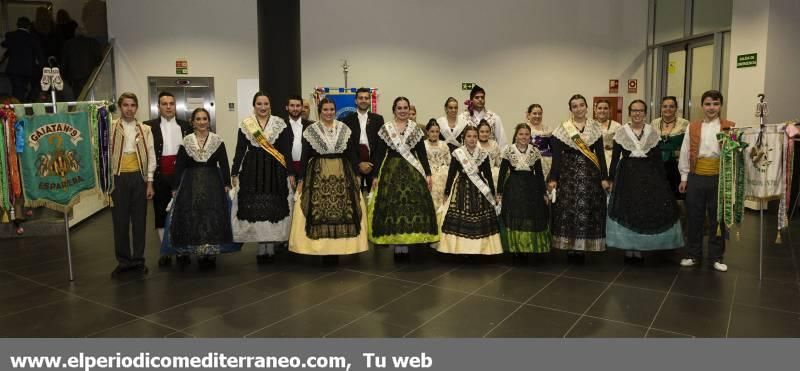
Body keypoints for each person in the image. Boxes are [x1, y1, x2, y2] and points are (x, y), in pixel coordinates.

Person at [289, 98, 368, 262]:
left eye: (332, 109)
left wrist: (357, 174)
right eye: (325, 109)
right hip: (318, 174)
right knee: (320, 210)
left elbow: (352, 154)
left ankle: (337, 250)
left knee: (342, 210)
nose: (329, 112)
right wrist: (301, 179)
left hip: (342, 173)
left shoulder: (344, 129)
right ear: (320, 111)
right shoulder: (311, 130)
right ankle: (321, 250)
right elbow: (304, 157)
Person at [606, 100, 683, 263]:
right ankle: (628, 249)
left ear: (645, 113)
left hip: (648, 175)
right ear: (629, 112)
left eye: (640, 111)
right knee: (629, 209)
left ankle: (639, 249)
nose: (637, 114)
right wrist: (611, 178)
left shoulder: (652, 132)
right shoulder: (621, 132)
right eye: (634, 110)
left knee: (643, 210)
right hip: (627, 175)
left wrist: (662, 181)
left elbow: (656, 159)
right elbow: (614, 159)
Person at [368, 98, 439, 259]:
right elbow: (379, 154)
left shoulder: (416, 129)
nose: (402, 110)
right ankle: (397, 245)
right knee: (393, 208)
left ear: (409, 110)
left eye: (405, 108)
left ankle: (406, 244)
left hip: (412, 172)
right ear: (394, 110)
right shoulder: (386, 129)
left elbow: (421, 154)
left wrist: (428, 174)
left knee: (410, 208)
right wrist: (375, 175)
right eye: (399, 108)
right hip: (391, 171)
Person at [231, 92, 294, 264]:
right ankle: (261, 246)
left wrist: (290, 173)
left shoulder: (280, 124)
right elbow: (239, 150)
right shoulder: (246, 124)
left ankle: (271, 245)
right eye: (259, 104)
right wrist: (234, 172)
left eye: (266, 103)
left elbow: (286, 151)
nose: (263, 107)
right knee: (257, 208)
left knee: (272, 206)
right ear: (254, 106)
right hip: (253, 169)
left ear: (270, 105)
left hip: (275, 170)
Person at [168, 108, 233, 268]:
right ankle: (197, 250)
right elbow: (180, 166)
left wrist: (227, 183)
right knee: (194, 216)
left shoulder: (217, 140)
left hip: (212, 182)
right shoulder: (187, 141)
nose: (202, 122)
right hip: (191, 183)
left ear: (208, 121)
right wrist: (175, 186)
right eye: (198, 119)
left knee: (211, 216)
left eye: (204, 119)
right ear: (193, 122)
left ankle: (210, 253)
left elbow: (224, 164)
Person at [678, 90, 735, 272]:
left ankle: (716, 256)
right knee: (694, 216)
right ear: (702, 106)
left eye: (716, 104)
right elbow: (686, 152)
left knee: (718, 218)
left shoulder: (730, 127)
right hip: (696, 176)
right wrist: (684, 177)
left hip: (719, 178)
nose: (712, 108)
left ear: (720, 106)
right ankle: (693, 254)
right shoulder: (693, 127)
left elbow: (734, 155)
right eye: (708, 104)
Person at [549, 94, 610, 261]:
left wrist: (604, 177)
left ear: (586, 107)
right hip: (568, 175)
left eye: (581, 105)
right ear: (570, 110)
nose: (578, 109)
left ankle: (583, 247)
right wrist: (553, 178)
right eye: (574, 106)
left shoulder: (595, 127)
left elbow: (601, 155)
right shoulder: (562, 129)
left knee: (588, 209)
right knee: (569, 209)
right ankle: (570, 247)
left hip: (591, 175)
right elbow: (557, 157)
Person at [109, 92, 156, 277]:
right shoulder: (110, 127)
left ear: (137, 107)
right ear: (120, 107)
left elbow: (151, 155)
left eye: (133, 105)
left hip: (139, 178)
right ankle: (123, 261)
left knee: (139, 221)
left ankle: (138, 260)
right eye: (126, 105)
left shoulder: (145, 129)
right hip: (118, 177)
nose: (129, 109)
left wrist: (150, 183)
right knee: (119, 221)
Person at [437, 126, 502, 256]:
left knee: (480, 218)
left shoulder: (483, 153)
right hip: (461, 187)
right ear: (464, 138)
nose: (472, 139)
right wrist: (447, 192)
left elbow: (488, 175)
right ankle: (462, 249)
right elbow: (451, 174)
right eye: (469, 136)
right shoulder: (458, 153)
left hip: (480, 190)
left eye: (474, 136)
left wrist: (493, 193)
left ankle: (481, 249)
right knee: (460, 216)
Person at [144, 92, 192, 267]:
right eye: (164, 104)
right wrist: (148, 181)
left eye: (171, 103)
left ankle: (182, 250)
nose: (169, 106)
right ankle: (166, 251)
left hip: (182, 175)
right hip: (160, 175)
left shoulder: (186, 126)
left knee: (183, 212)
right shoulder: (148, 127)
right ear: (159, 107)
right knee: (161, 213)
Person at [497, 124, 550, 262]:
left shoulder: (535, 151)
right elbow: (502, 173)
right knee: (515, 216)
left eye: (527, 134)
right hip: (513, 187)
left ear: (530, 136)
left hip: (530, 188)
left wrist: (544, 193)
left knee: (528, 216)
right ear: (516, 135)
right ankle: (515, 248)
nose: (524, 137)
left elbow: (539, 174)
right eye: (521, 134)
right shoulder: (508, 150)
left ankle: (526, 247)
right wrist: (499, 193)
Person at [341, 87, 384, 194]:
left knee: (374, 199)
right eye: (360, 98)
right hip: (354, 164)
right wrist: (358, 164)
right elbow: (347, 146)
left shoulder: (378, 119)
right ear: (356, 101)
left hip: (373, 165)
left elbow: (380, 146)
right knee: (355, 199)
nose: (363, 100)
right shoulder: (347, 120)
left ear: (370, 100)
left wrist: (373, 168)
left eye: (366, 98)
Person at [651, 96, 689, 199]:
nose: (668, 109)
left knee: (675, 196)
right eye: (665, 106)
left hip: (676, 166)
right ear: (661, 108)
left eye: (671, 106)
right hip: (658, 166)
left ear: (676, 108)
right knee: (658, 196)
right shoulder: (654, 123)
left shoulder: (684, 123)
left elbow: (688, 146)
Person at [2, 17, 43, 102]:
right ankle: (23, 104)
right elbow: (39, 53)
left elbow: (4, 44)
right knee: (25, 89)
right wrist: (41, 66)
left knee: (17, 89)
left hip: (13, 69)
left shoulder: (10, 35)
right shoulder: (33, 37)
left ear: (17, 25)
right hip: (28, 69)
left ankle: (17, 106)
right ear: (29, 26)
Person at [60, 27, 103, 95]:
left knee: (79, 99)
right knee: (91, 97)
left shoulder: (68, 44)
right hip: (90, 76)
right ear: (86, 33)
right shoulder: (93, 42)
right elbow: (99, 59)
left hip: (75, 78)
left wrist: (65, 77)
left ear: (75, 33)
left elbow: (64, 63)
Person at [424, 119, 452, 208]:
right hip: (428, 173)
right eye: (432, 131)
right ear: (427, 132)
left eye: (437, 131)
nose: (435, 134)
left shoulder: (443, 145)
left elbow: (449, 161)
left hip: (443, 173)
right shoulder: (423, 145)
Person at [285, 95, 314, 176]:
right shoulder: (280, 125)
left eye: (298, 106)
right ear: (286, 107)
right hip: (285, 169)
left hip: (307, 169)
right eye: (292, 105)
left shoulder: (311, 126)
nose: (295, 109)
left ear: (301, 107)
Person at [595, 99, 621, 173]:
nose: (602, 110)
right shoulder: (590, 126)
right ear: (595, 110)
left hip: (612, 161)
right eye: (600, 108)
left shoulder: (617, 126)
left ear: (609, 110)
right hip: (595, 160)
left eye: (605, 108)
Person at [526, 104, 553, 178]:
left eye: (540, 114)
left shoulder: (547, 129)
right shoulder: (523, 129)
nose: (537, 116)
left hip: (547, 163)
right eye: (534, 113)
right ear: (528, 115)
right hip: (528, 163)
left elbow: (553, 148)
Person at [478, 120, 501, 189]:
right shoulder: (474, 144)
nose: (484, 134)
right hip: (477, 174)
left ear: (490, 133)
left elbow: (498, 163)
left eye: (487, 132)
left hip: (492, 174)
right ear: (478, 132)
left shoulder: (494, 144)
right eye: (482, 132)